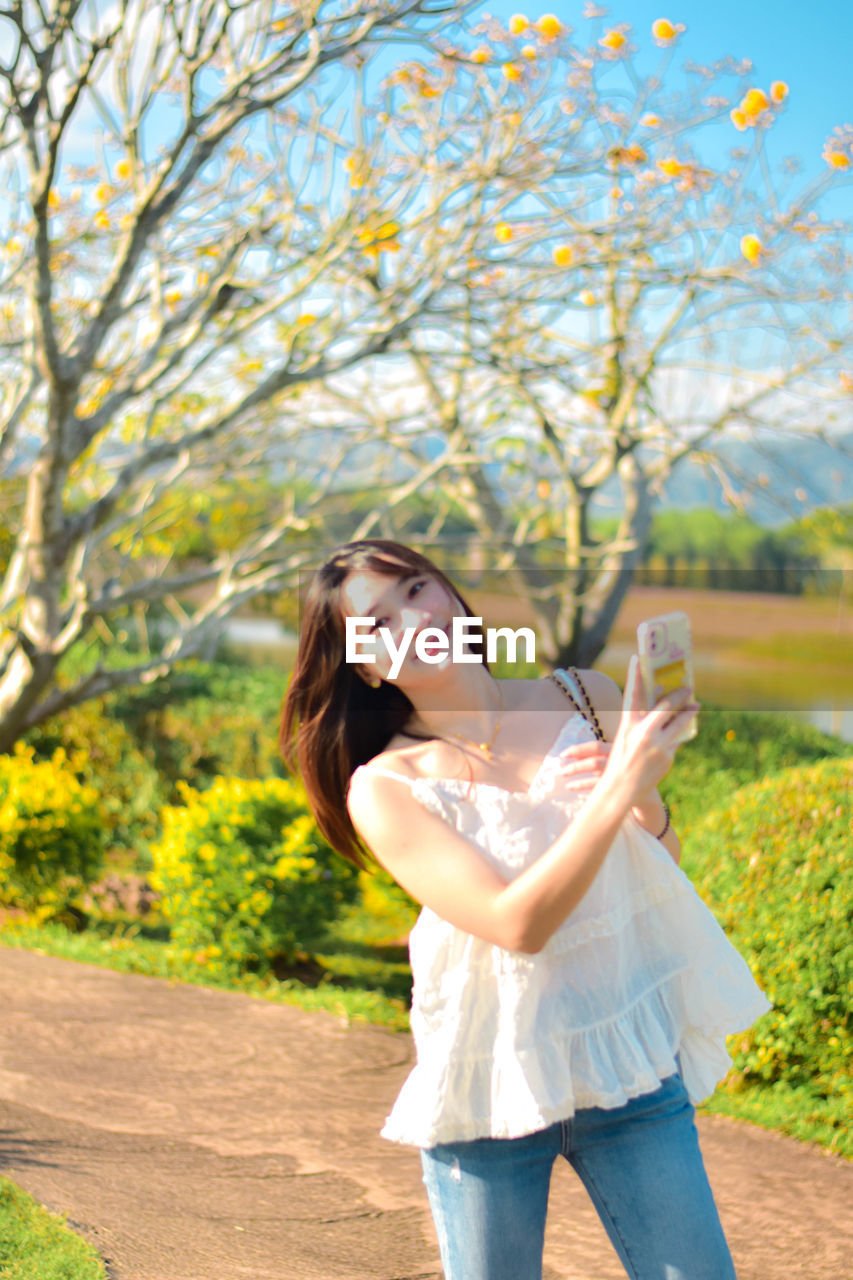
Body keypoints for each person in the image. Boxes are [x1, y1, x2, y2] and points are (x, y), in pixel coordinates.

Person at [280, 538, 771, 1280]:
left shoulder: (584, 696)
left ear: (449, 593)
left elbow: (656, 861)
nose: (413, 621)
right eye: (377, 625)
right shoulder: (386, 788)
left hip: (626, 1067)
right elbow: (517, 925)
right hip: (490, 1091)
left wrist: (640, 789)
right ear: (367, 666)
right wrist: (611, 795)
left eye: (415, 589)